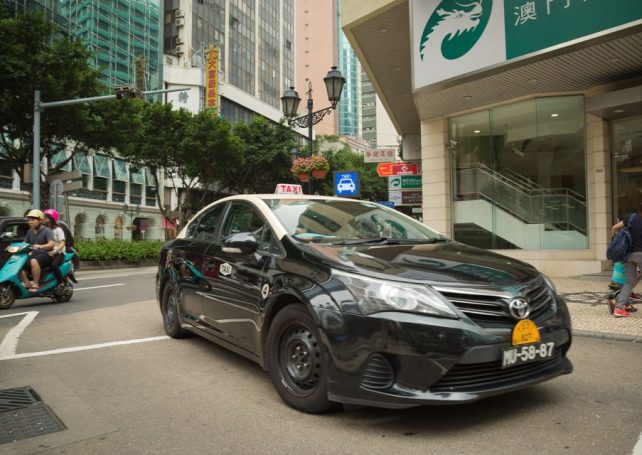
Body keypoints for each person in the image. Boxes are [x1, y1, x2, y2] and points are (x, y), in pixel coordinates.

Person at [609, 204, 642, 318]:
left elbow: (614, 228)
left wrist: (614, 242)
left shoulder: (631, 218)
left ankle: (619, 308)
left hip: (627, 254)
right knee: (630, 281)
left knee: (629, 282)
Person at [19, 209, 55, 293]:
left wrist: (41, 246)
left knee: (33, 261)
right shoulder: (30, 231)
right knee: (19, 263)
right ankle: (27, 284)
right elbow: (25, 243)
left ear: (40, 221)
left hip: (46, 254)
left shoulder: (47, 231)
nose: (30, 222)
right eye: (29, 220)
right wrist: (16, 246)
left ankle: (35, 284)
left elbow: (51, 244)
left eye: (33, 220)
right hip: (34, 254)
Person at [43, 208, 67, 284]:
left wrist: (55, 251)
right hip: (49, 251)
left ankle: (60, 282)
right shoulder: (45, 230)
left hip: (59, 253)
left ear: (51, 218)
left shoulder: (58, 230)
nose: (44, 219)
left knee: (53, 265)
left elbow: (62, 243)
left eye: (46, 217)